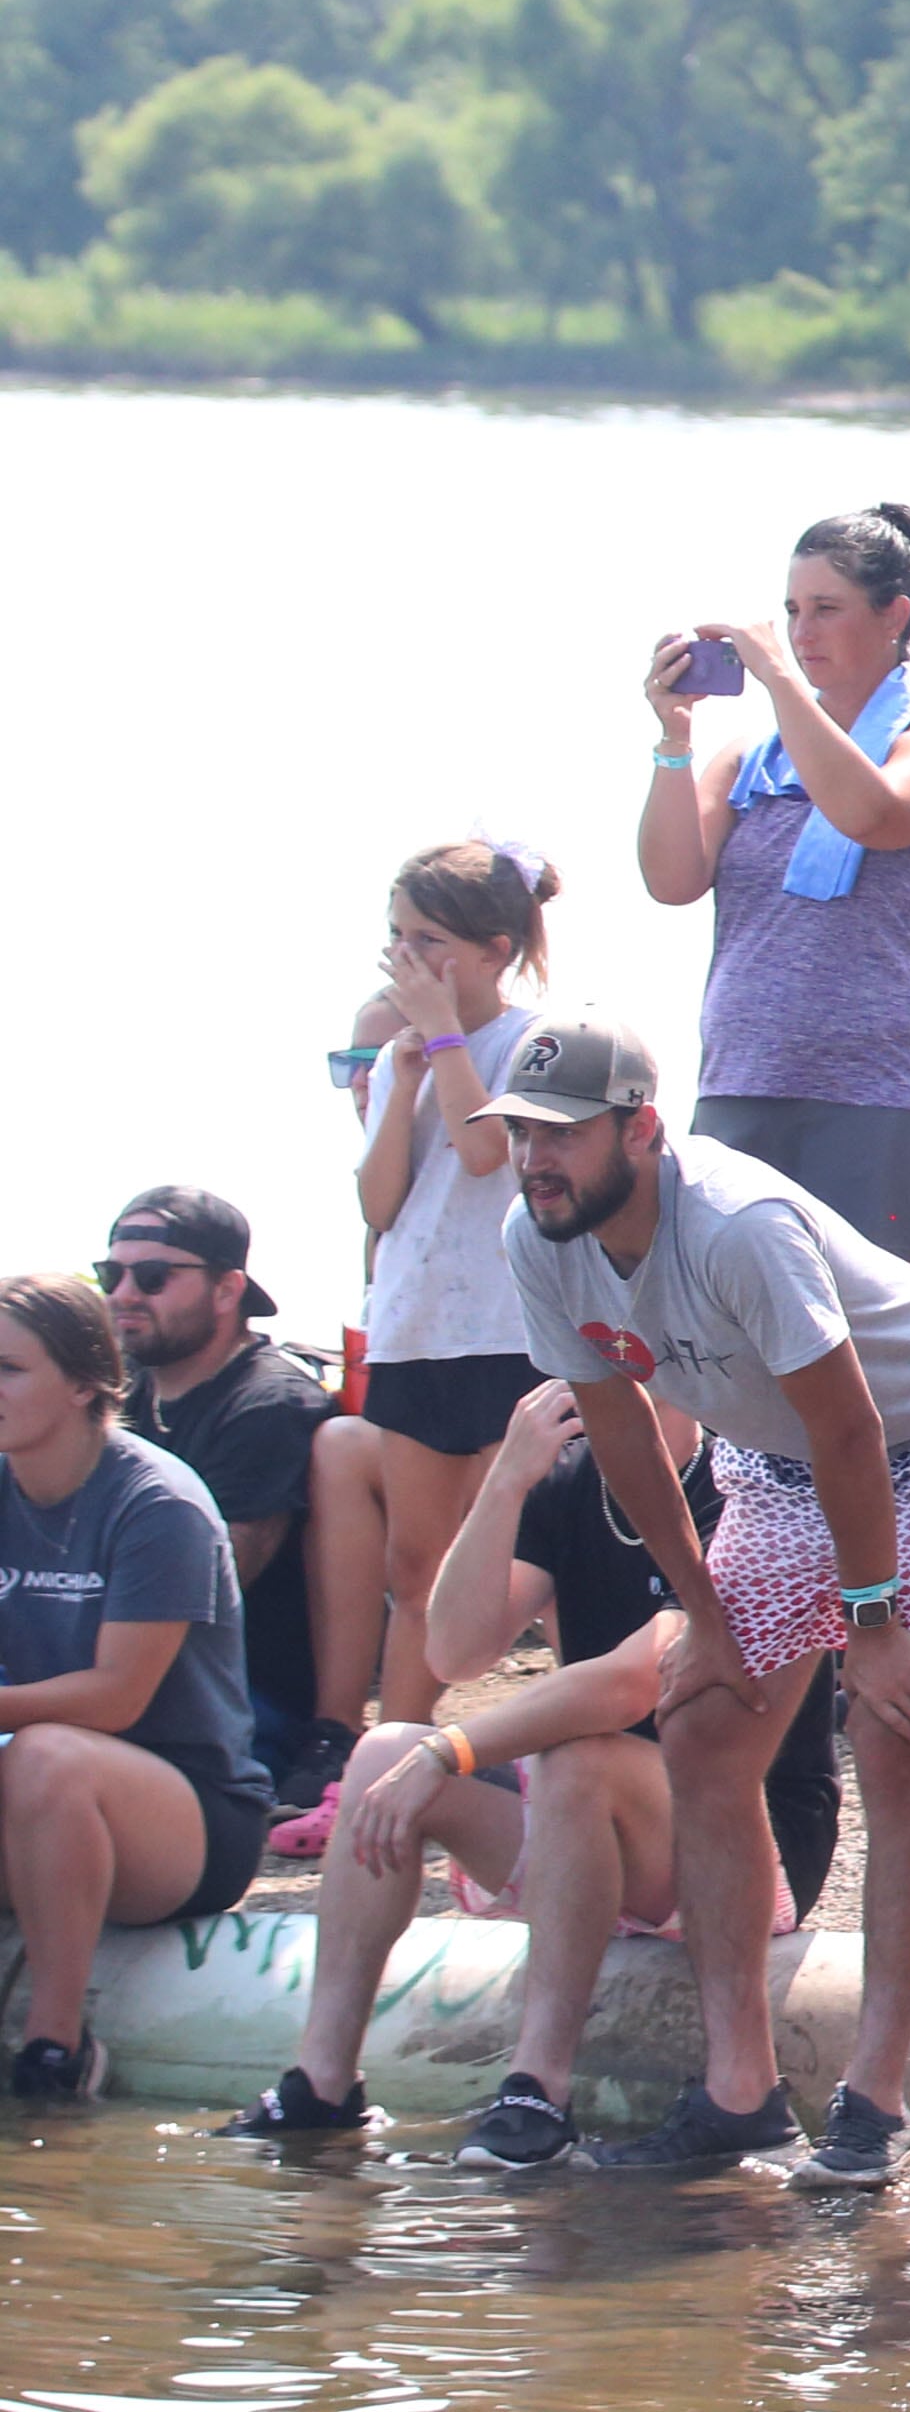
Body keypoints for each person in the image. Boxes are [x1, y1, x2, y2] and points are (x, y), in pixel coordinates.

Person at [475, 1007, 910, 2184]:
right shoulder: (537, 1236)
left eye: (561, 1135)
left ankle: (876, 2102)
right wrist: (706, 1616)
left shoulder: (736, 1224)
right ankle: (740, 2093)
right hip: (773, 1464)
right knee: (702, 1724)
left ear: (643, 1126)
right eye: (520, 1132)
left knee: (893, 1734)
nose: (535, 1159)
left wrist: (867, 1631)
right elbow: (621, 1430)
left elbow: (851, 1426)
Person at [214, 1376, 846, 2166]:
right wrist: (506, 1481)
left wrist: (451, 1750)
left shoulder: (743, 1485)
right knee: (382, 1752)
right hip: (594, 1813)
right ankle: (323, 2081)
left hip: (749, 1835)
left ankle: (536, 2088)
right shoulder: (572, 1482)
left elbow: (638, 1678)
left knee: (574, 1755)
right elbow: (453, 1650)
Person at [635, 502, 910, 1274]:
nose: (802, 632)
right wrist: (673, 738)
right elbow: (671, 880)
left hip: (877, 1093)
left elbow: (869, 812)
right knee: (735, 1347)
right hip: (744, 1078)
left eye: (827, 610)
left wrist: (781, 683)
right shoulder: (747, 760)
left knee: (889, 1355)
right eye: (793, 611)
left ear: (895, 616)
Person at [0, 1272, 269, 2100]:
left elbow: (116, 1699)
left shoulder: (157, 1503)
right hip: (33, 1793)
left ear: (85, 1381)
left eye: (8, 1368)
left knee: (48, 1759)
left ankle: (58, 2047)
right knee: (36, 1762)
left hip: (186, 1817)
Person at [351, 837, 558, 1745]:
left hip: (506, 1328)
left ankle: (587, 1736)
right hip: (415, 1327)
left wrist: (442, 1038)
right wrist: (398, 1080)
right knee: (414, 1566)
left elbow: (487, 1155)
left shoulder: (531, 1040)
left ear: (493, 950)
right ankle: (392, 1752)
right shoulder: (389, 1041)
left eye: (429, 938)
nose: (410, 958)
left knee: (541, 1558)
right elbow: (380, 1199)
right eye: (398, 935)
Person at [97, 1190, 344, 1801]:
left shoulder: (268, 1403)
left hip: (234, 1705)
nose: (125, 1293)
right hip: (131, 1676)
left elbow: (212, 1588)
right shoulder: (123, 1396)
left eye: (153, 1277)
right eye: (113, 1273)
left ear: (228, 1292)